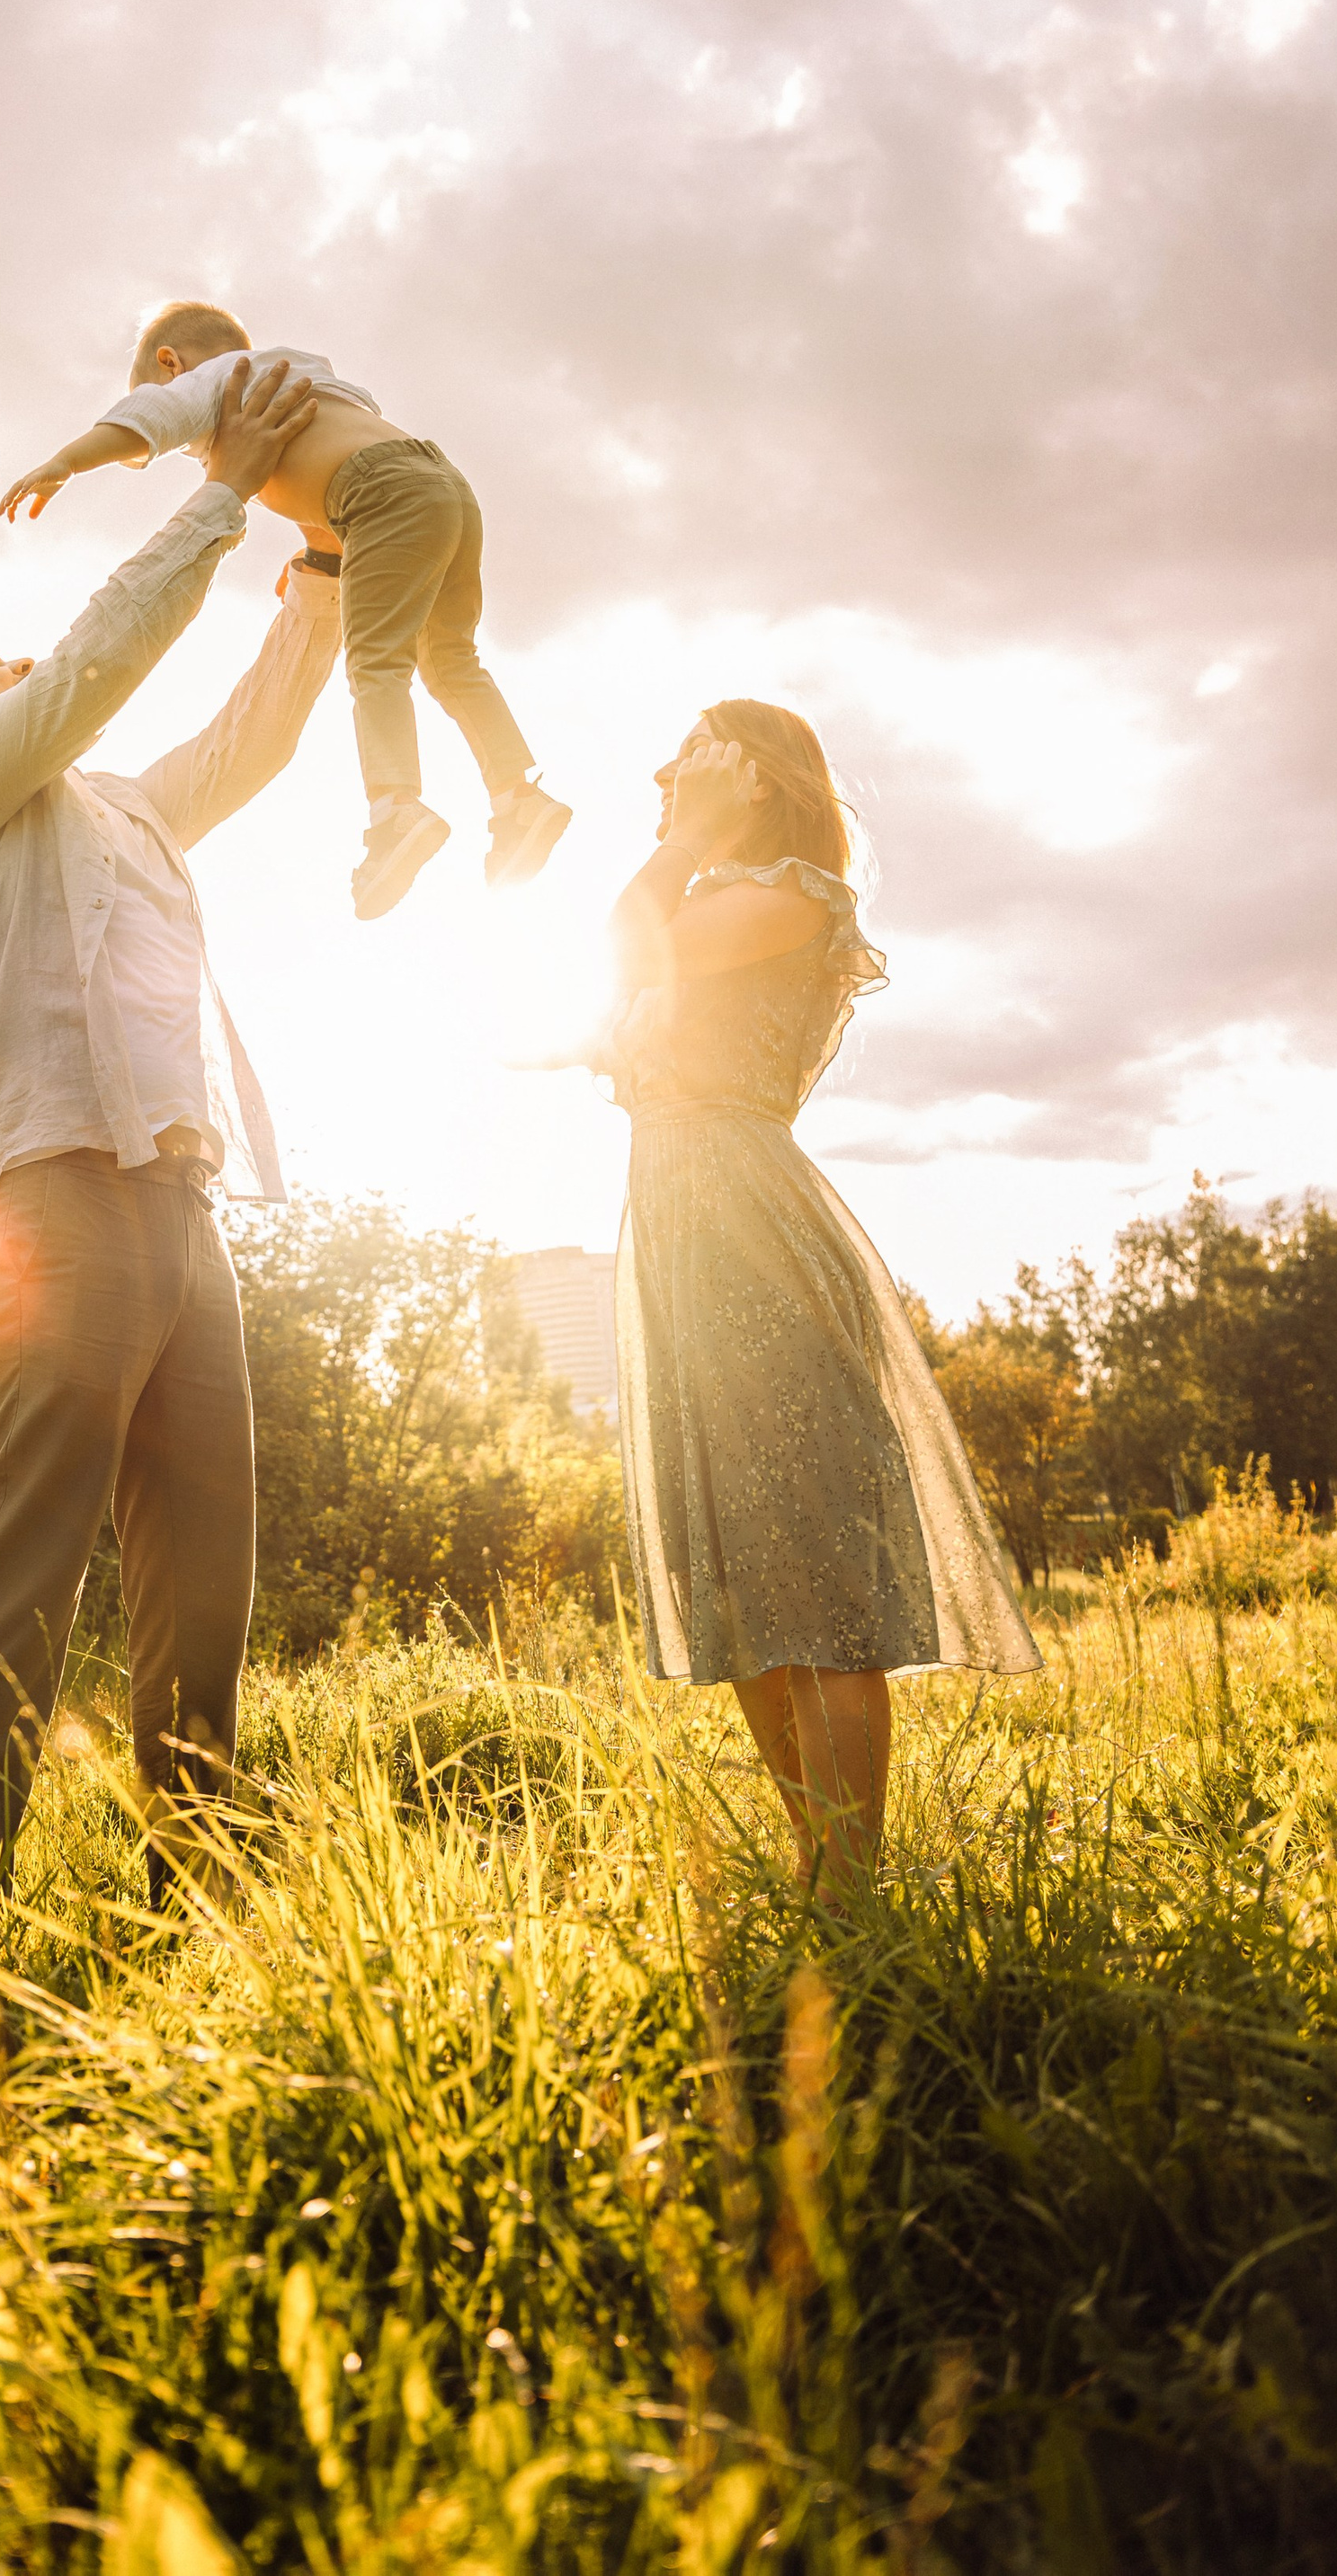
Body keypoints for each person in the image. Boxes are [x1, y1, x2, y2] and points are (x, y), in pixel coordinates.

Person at [0, 354, 339, 1923]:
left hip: (182, 1208)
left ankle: (195, 1898)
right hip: (51, 1202)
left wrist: (323, 558)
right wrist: (220, 493)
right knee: (28, 1562)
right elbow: (89, 665)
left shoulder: (128, 806)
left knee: (204, 1575)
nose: (17, 661)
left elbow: (253, 737)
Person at [598, 698, 1039, 1888]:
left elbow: (627, 943)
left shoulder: (793, 892)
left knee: (821, 1583)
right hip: (676, 1246)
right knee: (738, 1577)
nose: (666, 768)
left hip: (752, 1232)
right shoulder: (702, 901)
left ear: (758, 777)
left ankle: (850, 1895)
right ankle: (817, 1878)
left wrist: (686, 839)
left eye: (696, 751)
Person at [0, 298, 571, 920]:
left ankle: (396, 810)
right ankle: (518, 796)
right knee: (452, 658)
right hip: (442, 484)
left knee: (377, 662)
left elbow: (146, 421)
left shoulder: (223, 382)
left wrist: (67, 462)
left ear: (171, 363)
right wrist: (320, 545)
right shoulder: (301, 373)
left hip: (376, 497)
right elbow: (332, 453)